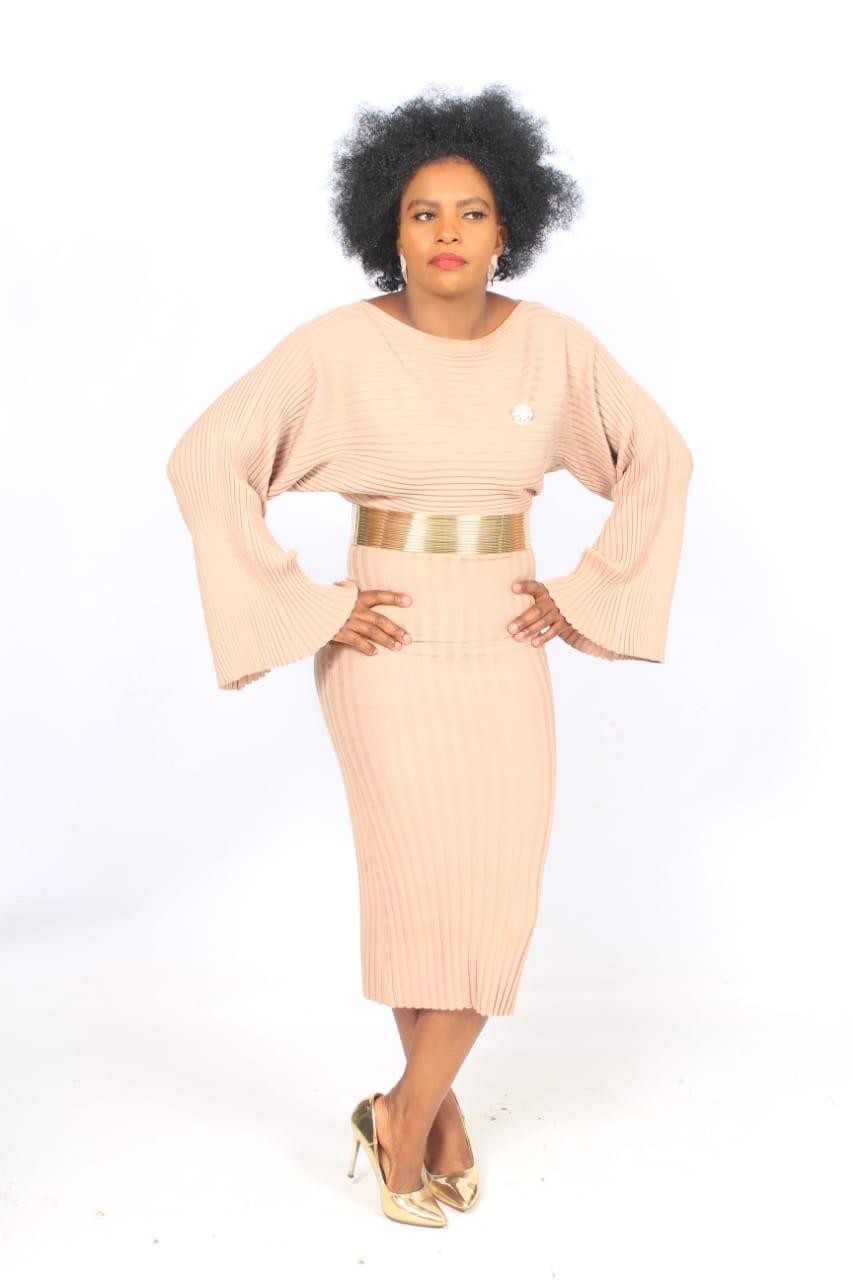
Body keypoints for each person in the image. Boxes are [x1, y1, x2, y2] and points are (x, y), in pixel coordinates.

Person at [166, 84, 693, 1229]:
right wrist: (307, 608)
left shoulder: (556, 348)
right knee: (420, 892)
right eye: (422, 212)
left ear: (508, 228)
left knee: (493, 897)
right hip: (387, 642)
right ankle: (424, 1119)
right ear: (388, 228)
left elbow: (662, 458)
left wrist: (584, 593)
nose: (447, 232)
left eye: (471, 211)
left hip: (503, 628)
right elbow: (205, 459)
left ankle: (409, 1105)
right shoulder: (336, 346)